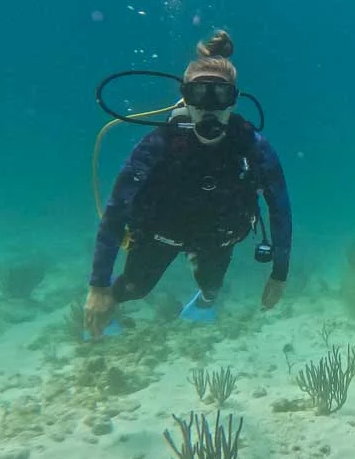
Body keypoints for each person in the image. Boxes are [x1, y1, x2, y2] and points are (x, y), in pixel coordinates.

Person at [85, 30, 292, 338]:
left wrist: (279, 275)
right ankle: (110, 308)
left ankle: (203, 301)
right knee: (133, 289)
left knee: (211, 288)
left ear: (234, 100)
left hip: (217, 238)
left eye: (220, 95)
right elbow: (117, 209)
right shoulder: (159, 143)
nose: (209, 107)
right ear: (186, 98)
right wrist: (99, 286)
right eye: (199, 95)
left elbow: (280, 207)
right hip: (160, 235)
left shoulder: (250, 144)